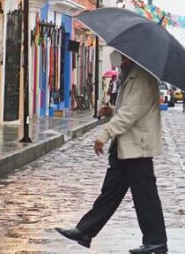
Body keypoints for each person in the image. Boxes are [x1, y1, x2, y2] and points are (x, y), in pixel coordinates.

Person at [56, 55, 168, 254]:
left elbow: (131, 113)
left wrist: (105, 133)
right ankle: (85, 231)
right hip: (126, 145)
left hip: (137, 146)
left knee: (146, 195)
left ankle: (156, 241)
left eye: (123, 57)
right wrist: (111, 112)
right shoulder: (131, 76)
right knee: (111, 191)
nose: (120, 60)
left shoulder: (141, 78)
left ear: (131, 57)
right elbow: (126, 110)